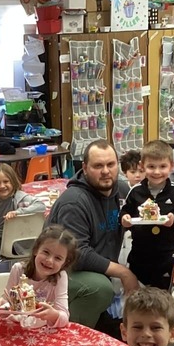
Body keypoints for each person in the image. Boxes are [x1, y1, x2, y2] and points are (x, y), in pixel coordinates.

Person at [48, 140, 139, 332]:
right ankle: (71, 337)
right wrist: (123, 272)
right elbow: (77, 255)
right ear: (85, 168)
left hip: (100, 270)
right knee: (99, 288)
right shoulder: (74, 202)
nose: (106, 171)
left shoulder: (122, 191)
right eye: (98, 166)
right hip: (58, 271)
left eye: (110, 164)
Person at [119, 140, 174, 291]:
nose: (157, 172)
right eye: (151, 166)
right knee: (138, 297)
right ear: (142, 166)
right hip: (139, 254)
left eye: (163, 166)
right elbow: (125, 211)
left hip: (166, 256)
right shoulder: (135, 191)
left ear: (172, 166)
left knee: (162, 297)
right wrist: (125, 219)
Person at [0, 225, 77, 329]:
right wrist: (2, 305)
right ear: (36, 250)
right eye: (46, 252)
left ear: (65, 263)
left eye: (58, 258)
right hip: (14, 327)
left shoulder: (60, 277)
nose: (50, 260)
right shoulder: (18, 269)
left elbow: (64, 318)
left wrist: (54, 315)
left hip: (42, 332)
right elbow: (7, 299)